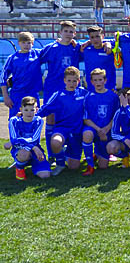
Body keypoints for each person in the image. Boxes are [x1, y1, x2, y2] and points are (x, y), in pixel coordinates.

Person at [39, 21, 82, 160]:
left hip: (70, 88)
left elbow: (92, 44)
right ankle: (52, 154)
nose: (68, 34)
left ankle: (70, 151)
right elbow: (36, 60)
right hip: (53, 88)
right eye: (66, 31)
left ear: (74, 34)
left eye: (71, 32)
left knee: (72, 116)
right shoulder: (51, 48)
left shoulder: (76, 48)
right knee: (51, 119)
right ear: (60, 32)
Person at [37, 66, 89, 176]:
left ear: (78, 81)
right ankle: (60, 163)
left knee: (73, 167)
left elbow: (94, 104)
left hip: (77, 131)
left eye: (74, 81)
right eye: (69, 80)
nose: (72, 83)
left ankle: (65, 152)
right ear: (64, 80)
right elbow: (45, 108)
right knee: (55, 142)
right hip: (62, 129)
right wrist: (28, 116)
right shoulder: (58, 95)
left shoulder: (84, 94)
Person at [82, 68, 119, 174]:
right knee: (87, 134)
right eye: (95, 80)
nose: (98, 82)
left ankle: (97, 153)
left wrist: (106, 129)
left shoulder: (113, 96)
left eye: (100, 79)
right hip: (94, 129)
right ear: (91, 82)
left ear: (105, 80)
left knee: (103, 166)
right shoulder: (88, 97)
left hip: (107, 131)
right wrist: (99, 130)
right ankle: (90, 165)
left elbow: (116, 117)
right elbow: (86, 119)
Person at [5, 96, 50, 180]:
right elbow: (14, 140)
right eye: (26, 110)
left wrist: (34, 148)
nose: (29, 113)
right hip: (21, 149)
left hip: (34, 150)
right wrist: (34, 147)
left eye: (32, 110)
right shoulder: (14, 121)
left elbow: (34, 139)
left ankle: (29, 162)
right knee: (24, 154)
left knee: (45, 175)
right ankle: (19, 167)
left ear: (36, 110)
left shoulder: (38, 120)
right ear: (21, 109)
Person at [1, 32, 43, 118]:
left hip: (33, 93)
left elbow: (51, 50)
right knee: (15, 120)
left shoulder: (38, 54)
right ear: (19, 43)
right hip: (17, 94)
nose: (26, 45)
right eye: (23, 42)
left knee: (34, 119)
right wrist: (5, 96)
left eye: (29, 42)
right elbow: (2, 78)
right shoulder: (12, 58)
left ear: (32, 43)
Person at [82, 26, 116, 92]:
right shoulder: (85, 50)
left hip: (108, 89)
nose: (95, 39)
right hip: (92, 89)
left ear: (102, 37)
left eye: (97, 36)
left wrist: (107, 43)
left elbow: (119, 40)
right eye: (92, 37)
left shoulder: (110, 49)